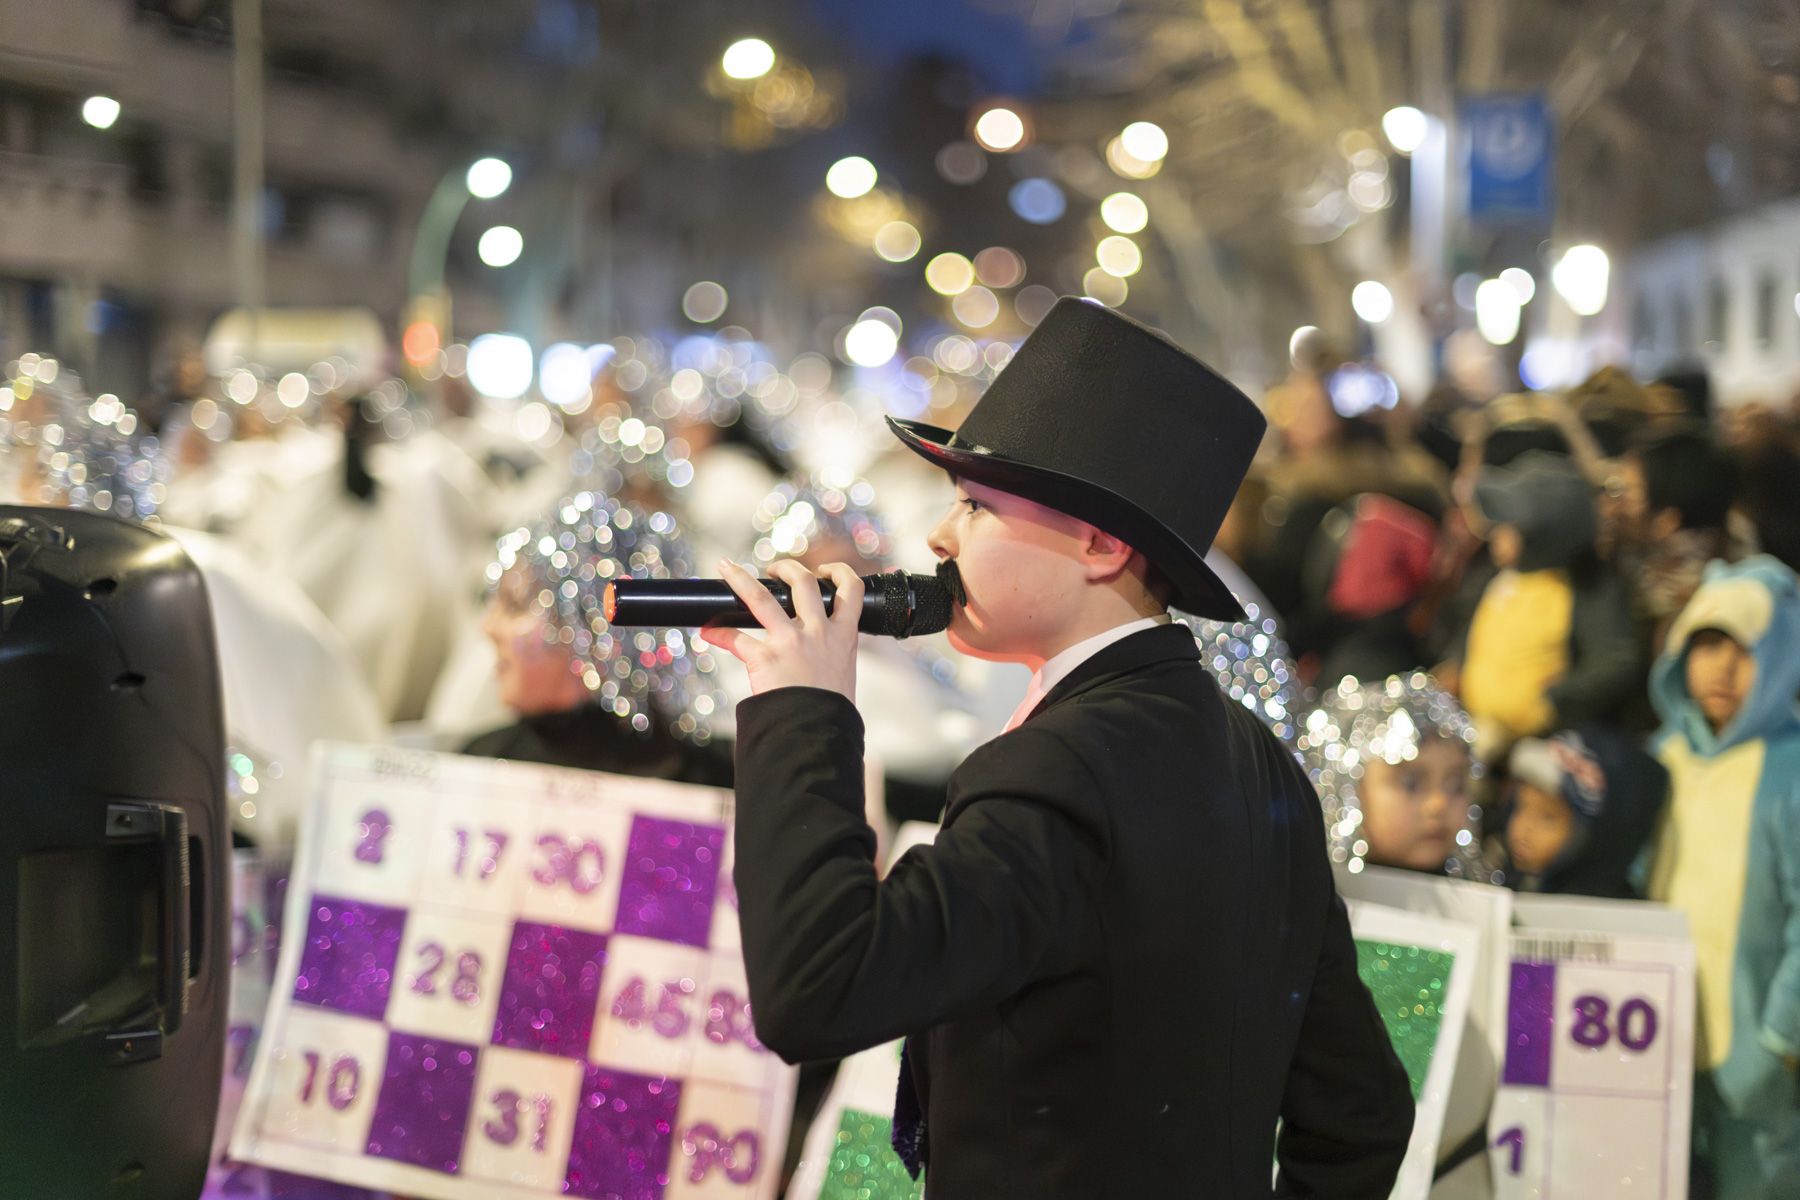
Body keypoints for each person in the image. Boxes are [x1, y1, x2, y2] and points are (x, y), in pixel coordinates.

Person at [707, 299, 1414, 1196]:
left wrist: (803, 707)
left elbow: (816, 988)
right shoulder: (1253, 755)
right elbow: (1362, 1113)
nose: (939, 535)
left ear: (1098, 543)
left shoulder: (1057, 769)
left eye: (975, 504)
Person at [1645, 556, 1800, 1196]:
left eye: (1746, 649)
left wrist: (1780, 1037)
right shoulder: (1664, 758)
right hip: (1654, 1043)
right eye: (1707, 644)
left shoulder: (1789, 771)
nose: (1722, 667)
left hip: (1754, 1066)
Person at [1454, 451, 1640, 760]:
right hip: (1478, 731)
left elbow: (1615, 660)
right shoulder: (1501, 579)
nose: (1495, 536)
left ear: (1545, 532)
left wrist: (1555, 700)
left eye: (1508, 527)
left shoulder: (1585, 586)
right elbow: (1474, 636)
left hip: (1548, 744)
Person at [1298, 673, 1489, 879]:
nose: (1439, 804)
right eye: (1411, 784)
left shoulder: (1488, 905)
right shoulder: (1308, 903)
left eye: (1456, 785)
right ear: (1345, 790)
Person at [1498, 728, 1668, 898]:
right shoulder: (1505, 883)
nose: (1524, 829)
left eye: (1547, 819)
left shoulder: (1615, 919)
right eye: (1520, 807)